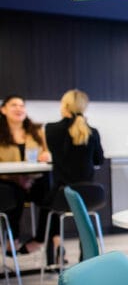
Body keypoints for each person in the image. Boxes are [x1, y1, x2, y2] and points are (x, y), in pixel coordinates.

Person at [43, 89, 104, 264]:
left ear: (65, 106)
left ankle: (53, 252)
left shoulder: (51, 129)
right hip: (89, 197)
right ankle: (87, 259)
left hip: (63, 195)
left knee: (46, 202)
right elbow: (99, 159)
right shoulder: (92, 132)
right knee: (83, 218)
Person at [0, 94, 52, 254]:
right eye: (14, 105)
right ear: (3, 109)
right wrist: (18, 178)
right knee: (13, 192)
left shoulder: (36, 131)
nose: (19, 108)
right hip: (8, 181)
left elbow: (47, 152)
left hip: (33, 181)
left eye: (22, 105)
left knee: (51, 191)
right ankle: (12, 238)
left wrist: (46, 156)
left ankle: (41, 238)